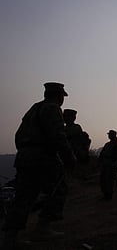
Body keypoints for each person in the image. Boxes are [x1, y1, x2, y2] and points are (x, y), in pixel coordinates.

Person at [2, 82, 75, 250]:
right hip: (42, 158)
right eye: (62, 96)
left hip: (24, 157)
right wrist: (69, 158)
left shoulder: (33, 109)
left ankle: (10, 237)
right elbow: (58, 136)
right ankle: (43, 228)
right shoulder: (52, 108)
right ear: (59, 96)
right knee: (59, 188)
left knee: (23, 196)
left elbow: (18, 135)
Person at [63, 109, 91, 179]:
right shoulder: (64, 128)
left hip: (74, 155)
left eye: (66, 116)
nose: (64, 118)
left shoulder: (75, 128)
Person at [98, 130, 117, 201]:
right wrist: (100, 162)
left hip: (111, 165)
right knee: (103, 180)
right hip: (105, 164)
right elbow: (102, 154)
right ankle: (105, 194)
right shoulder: (107, 144)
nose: (109, 136)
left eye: (110, 134)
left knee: (109, 180)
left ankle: (108, 195)